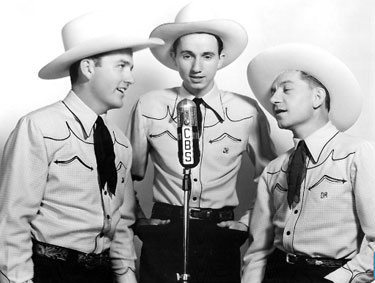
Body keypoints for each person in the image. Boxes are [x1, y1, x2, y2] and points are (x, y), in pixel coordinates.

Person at [0, 11, 163, 283]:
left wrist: (127, 278)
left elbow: (121, 225)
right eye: (121, 66)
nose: (130, 78)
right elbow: (13, 220)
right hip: (49, 272)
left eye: (131, 68)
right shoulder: (39, 128)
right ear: (88, 68)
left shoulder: (120, 143)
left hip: (101, 274)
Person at [128, 2, 276, 283]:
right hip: (165, 229)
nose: (197, 67)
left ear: (221, 57)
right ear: (173, 57)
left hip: (219, 234)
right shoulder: (148, 105)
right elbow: (125, 175)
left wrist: (246, 222)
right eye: (187, 55)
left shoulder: (247, 110)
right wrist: (138, 220)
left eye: (207, 56)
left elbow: (273, 178)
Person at [242, 43, 375, 283]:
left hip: (331, 276)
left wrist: (338, 280)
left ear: (317, 97)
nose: (273, 98)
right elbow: (258, 250)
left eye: (286, 90)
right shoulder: (273, 170)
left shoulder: (357, 155)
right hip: (277, 273)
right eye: (273, 91)